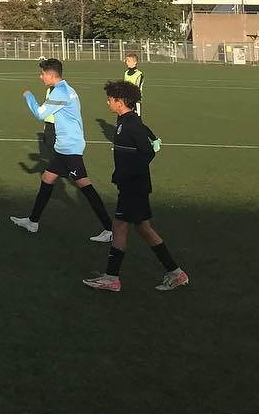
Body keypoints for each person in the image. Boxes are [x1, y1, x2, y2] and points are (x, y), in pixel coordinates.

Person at [81, 80, 189, 292]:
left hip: (133, 187)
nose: (108, 102)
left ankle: (111, 278)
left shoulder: (130, 124)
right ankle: (176, 273)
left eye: (111, 99)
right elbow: (144, 134)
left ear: (120, 102)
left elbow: (147, 152)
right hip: (132, 185)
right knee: (143, 228)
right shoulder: (126, 121)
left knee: (119, 226)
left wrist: (127, 173)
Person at [10, 58, 113, 242]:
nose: (40, 77)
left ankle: (110, 229)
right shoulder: (67, 89)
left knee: (86, 187)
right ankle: (33, 221)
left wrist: (29, 96)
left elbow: (40, 114)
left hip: (70, 149)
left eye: (42, 74)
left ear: (50, 75)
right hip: (64, 148)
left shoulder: (61, 92)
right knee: (47, 179)